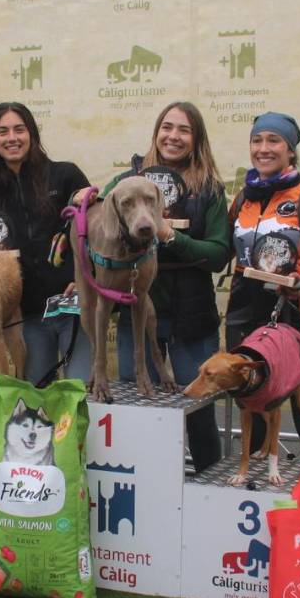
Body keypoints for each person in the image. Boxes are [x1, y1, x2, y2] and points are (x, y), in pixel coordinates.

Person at [105, 102, 231, 472]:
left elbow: (219, 254)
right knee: (137, 412)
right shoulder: (128, 181)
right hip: (136, 314)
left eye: (184, 130)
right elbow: (99, 222)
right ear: (156, 131)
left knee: (200, 415)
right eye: (167, 127)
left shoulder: (209, 189)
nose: (173, 136)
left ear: (197, 140)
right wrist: (84, 199)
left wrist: (171, 237)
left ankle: (210, 488)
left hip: (193, 320)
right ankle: (143, 491)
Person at [224, 111, 300, 464]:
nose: (264, 148)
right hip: (246, 322)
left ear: (290, 151)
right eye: (257, 140)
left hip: (297, 321)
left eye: (273, 141)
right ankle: (256, 505)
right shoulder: (241, 199)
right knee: (254, 417)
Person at [0, 102, 92, 386]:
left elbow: (93, 234)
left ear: (31, 133)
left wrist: (81, 279)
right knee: (35, 394)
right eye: (3, 131)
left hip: (74, 308)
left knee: (79, 392)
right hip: (28, 314)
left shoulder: (66, 175)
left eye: (19, 129)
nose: (12, 138)